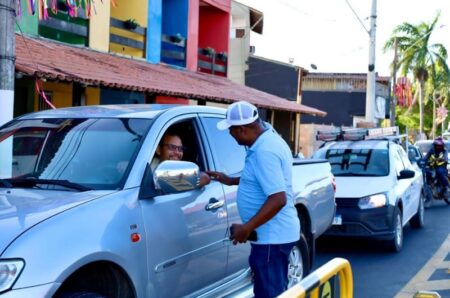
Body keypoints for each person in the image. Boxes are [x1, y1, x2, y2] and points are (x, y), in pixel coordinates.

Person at [206, 101, 300, 298]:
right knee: (272, 289)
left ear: (242, 129)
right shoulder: (266, 140)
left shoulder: (264, 151)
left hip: (272, 240)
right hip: (272, 238)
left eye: (231, 130)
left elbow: (278, 198)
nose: (230, 135)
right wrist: (230, 180)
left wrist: (246, 228)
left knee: (269, 293)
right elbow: (263, 179)